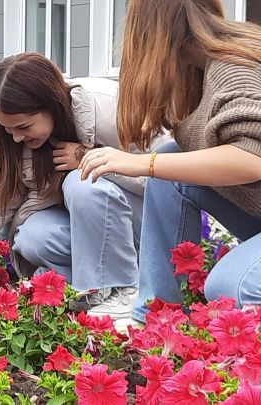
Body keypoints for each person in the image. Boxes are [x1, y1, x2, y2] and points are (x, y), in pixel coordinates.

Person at [0, 53, 168, 319]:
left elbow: (167, 175)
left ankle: (121, 289)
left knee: (81, 181)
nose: (16, 138)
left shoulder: (110, 107)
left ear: (51, 104)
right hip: (97, 236)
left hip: (143, 225)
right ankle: (85, 287)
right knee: (33, 236)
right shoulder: (19, 145)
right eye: (8, 130)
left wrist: (91, 156)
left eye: (23, 127)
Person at [79, 0, 261, 323]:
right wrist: (155, 166)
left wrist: (142, 164)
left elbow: (251, 159)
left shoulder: (233, 65)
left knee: (232, 286)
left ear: (155, 33)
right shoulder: (204, 71)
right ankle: (157, 319)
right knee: (170, 164)